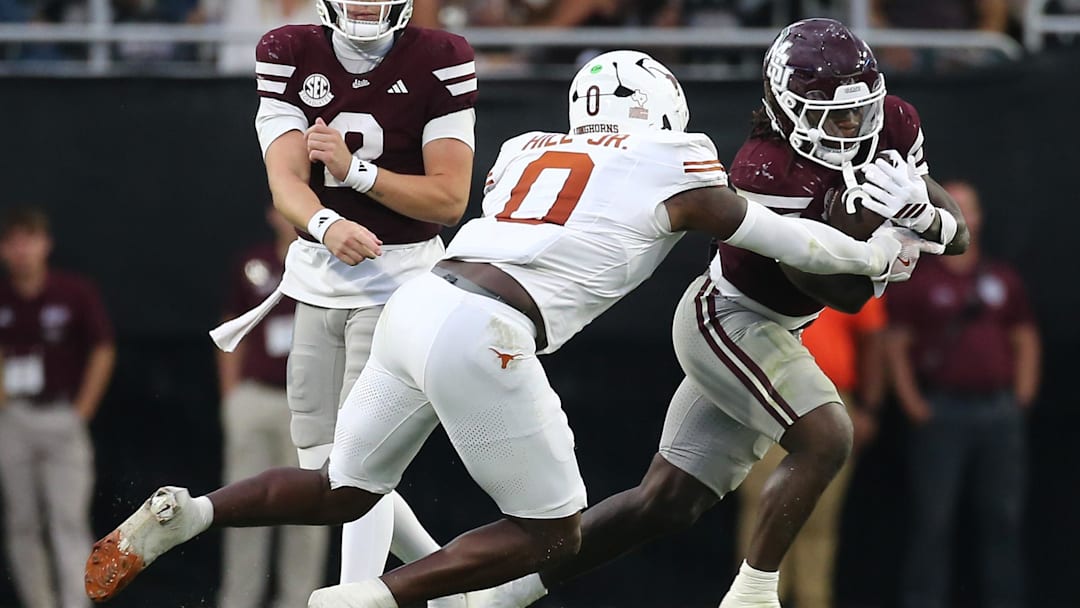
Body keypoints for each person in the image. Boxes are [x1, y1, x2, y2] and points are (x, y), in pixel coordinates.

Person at [84, 48, 927, 608]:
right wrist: (884, 252)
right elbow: (788, 239)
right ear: (663, 111)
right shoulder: (674, 158)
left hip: (419, 302)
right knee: (552, 533)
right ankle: (371, 600)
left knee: (345, 489)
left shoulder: (528, 147)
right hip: (486, 327)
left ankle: (189, 512)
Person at [478, 18, 972, 608]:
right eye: (830, 113)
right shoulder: (762, 168)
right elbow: (840, 292)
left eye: (857, 110)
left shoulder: (893, 121)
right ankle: (754, 594)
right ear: (785, 109)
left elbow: (956, 235)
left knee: (662, 503)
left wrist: (924, 212)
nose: (848, 126)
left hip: (781, 327)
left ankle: (501, 595)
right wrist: (880, 245)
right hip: (730, 318)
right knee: (826, 436)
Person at [203, 0, 479, 599]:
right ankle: (458, 587)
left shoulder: (442, 57)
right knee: (324, 469)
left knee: (359, 464)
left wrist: (358, 174)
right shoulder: (287, 51)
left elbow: (449, 199)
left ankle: (359, 594)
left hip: (401, 279)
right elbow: (285, 181)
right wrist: (327, 225)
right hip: (315, 278)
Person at [886, 179, 1039, 608]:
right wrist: (913, 404)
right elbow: (894, 344)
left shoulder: (1001, 279)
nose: (962, 215)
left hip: (998, 412)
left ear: (980, 217)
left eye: (968, 208)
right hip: (942, 412)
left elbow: (1025, 338)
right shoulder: (919, 279)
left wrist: (1020, 397)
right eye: (953, 208)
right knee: (934, 520)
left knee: (1002, 519)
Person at [733, 300, 888, 608]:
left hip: (831, 400)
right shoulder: (769, 261)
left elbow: (873, 337)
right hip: (772, 395)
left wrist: (870, 407)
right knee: (763, 509)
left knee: (820, 515)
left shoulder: (853, 269)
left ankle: (813, 600)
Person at [0, 207, 116, 608]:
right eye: (13, 242)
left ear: (45, 244)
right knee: (22, 522)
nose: (22, 251)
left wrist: (82, 409)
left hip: (62, 416)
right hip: (14, 418)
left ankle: (75, 603)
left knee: (67, 520)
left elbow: (103, 347)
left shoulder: (73, 291)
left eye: (29, 240)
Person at [216, 207, 329, 608]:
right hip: (257, 397)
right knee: (242, 507)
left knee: (308, 511)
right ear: (272, 214)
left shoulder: (327, 263)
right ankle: (238, 600)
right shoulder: (254, 265)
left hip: (309, 407)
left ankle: (298, 602)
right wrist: (232, 395)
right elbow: (233, 325)